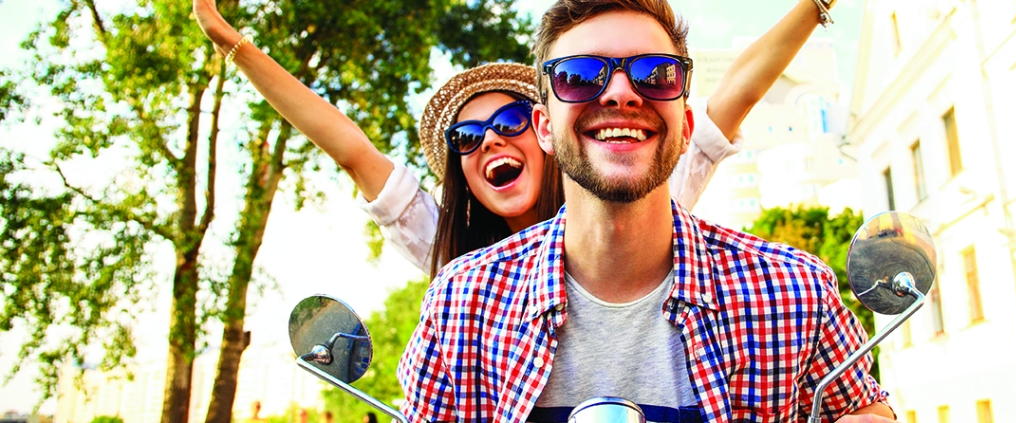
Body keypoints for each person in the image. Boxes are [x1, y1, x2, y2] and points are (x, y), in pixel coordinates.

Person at [395, 0, 899, 422]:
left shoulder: (795, 293)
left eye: (655, 74)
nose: (619, 92)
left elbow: (865, 410)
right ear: (545, 127)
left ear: (685, 125)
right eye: (578, 76)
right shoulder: (460, 306)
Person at [192, 0, 826, 276]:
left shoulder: (639, 185)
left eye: (509, 122)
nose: (489, 141)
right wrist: (236, 46)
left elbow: (733, 96)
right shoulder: (459, 276)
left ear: (549, 133)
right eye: (466, 138)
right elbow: (350, 147)